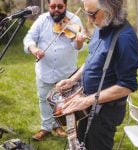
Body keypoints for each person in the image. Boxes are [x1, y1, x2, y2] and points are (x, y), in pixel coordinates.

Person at [56, 0, 138, 149]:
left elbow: (127, 86)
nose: (89, 20)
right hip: (88, 107)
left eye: (92, 14)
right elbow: (93, 59)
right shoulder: (101, 26)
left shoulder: (125, 38)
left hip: (104, 114)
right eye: (86, 13)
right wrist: (73, 79)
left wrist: (86, 101)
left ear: (110, 10)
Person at [23, 0, 85, 141]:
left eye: (60, 6)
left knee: (64, 101)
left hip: (66, 72)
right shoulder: (42, 20)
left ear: (66, 6)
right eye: (53, 6)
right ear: (48, 6)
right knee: (44, 99)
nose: (56, 9)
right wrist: (34, 49)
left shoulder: (75, 20)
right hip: (45, 69)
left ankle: (59, 126)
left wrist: (80, 40)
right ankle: (45, 128)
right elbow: (29, 38)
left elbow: (78, 47)